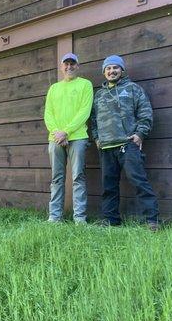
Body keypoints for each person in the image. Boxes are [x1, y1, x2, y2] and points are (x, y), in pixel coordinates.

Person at [91, 55, 159, 230]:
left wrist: (140, 134)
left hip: (128, 145)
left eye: (115, 68)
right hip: (106, 147)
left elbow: (145, 113)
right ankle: (110, 220)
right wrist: (97, 137)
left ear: (122, 70)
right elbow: (93, 120)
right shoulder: (98, 95)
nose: (112, 71)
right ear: (104, 72)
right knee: (109, 186)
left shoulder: (133, 89)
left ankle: (152, 220)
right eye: (108, 68)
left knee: (139, 181)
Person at [44, 53, 94, 223]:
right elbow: (48, 114)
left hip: (78, 137)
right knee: (56, 178)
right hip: (55, 139)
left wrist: (66, 132)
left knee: (78, 177)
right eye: (66, 64)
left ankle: (79, 218)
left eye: (73, 64)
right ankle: (54, 217)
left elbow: (84, 112)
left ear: (77, 66)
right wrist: (57, 133)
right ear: (61, 67)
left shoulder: (85, 85)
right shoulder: (54, 88)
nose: (69, 67)